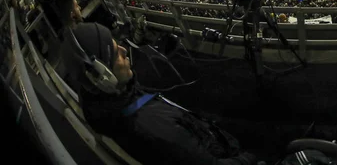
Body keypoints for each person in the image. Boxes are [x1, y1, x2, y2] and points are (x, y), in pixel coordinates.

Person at [68, 22, 257, 164]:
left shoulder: (104, 101)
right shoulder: (155, 128)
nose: (125, 51)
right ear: (104, 77)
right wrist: (251, 158)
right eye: (117, 53)